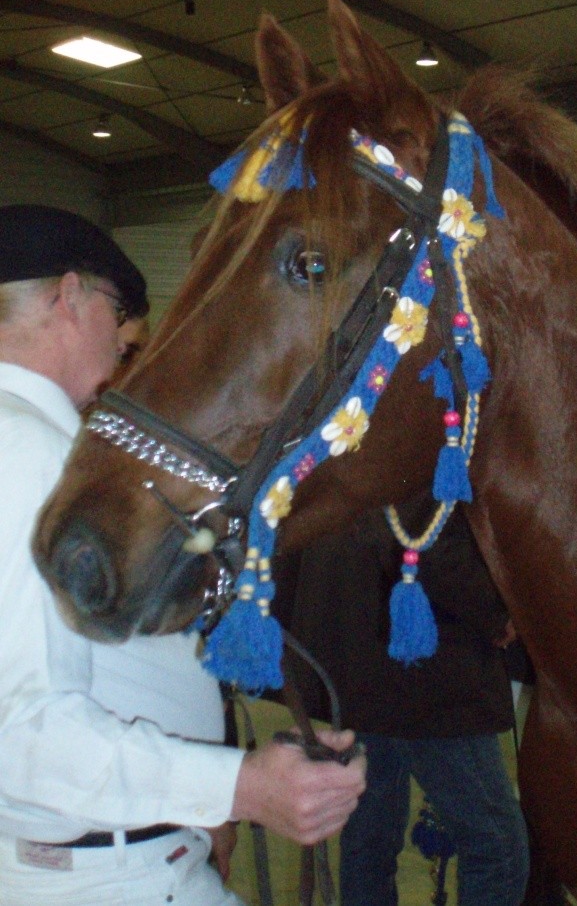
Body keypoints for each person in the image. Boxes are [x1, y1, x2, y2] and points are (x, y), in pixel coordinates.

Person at [0, 204, 366, 906]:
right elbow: (21, 733)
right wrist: (242, 786)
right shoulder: (32, 454)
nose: (124, 337)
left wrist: (208, 800)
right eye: (116, 311)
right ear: (68, 298)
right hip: (105, 877)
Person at [273, 498, 530, 906]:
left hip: (360, 659)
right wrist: (498, 610)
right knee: (496, 845)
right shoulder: (416, 440)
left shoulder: (347, 435)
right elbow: (423, 540)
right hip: (426, 678)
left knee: (369, 843)